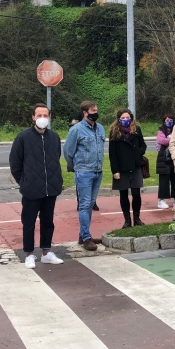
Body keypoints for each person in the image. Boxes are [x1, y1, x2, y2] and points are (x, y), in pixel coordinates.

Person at [9, 104, 64, 269]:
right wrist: (25, 182)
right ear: (33, 117)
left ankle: (46, 252)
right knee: (29, 222)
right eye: (39, 115)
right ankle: (29, 254)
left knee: (48, 221)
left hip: (50, 188)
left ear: (49, 117)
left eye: (45, 115)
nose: (42, 118)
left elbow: (56, 158)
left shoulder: (54, 137)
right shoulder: (23, 137)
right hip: (31, 189)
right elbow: (15, 163)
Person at [63, 101, 105, 251]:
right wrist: (77, 167)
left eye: (96, 110)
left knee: (91, 203)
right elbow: (68, 151)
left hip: (97, 171)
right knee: (85, 204)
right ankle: (87, 237)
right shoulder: (76, 130)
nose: (96, 112)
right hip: (84, 172)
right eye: (93, 110)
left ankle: (83, 234)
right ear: (85, 113)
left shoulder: (100, 128)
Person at [108, 108, 147, 228]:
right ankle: (127, 220)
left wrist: (137, 153)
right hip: (122, 168)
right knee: (123, 194)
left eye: (127, 117)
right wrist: (115, 171)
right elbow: (112, 154)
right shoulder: (114, 132)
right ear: (119, 119)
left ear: (131, 118)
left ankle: (137, 218)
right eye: (123, 118)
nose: (126, 120)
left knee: (136, 193)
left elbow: (143, 145)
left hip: (135, 166)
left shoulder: (136, 130)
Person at [70, 113, 99, 212]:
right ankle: (81, 203)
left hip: (94, 167)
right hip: (80, 164)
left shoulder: (98, 127)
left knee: (91, 187)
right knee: (81, 186)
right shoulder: (77, 128)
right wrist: (73, 163)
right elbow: (69, 149)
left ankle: (93, 202)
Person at [156, 114, 175, 209]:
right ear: (164, 121)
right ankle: (161, 200)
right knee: (164, 180)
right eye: (167, 120)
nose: (169, 121)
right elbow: (161, 140)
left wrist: (170, 140)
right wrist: (172, 140)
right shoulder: (161, 130)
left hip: (174, 157)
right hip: (163, 159)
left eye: (171, 120)